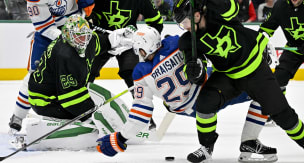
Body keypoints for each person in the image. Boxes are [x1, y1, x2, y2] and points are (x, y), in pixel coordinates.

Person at [96, 26, 278, 162]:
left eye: (139, 50)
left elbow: (140, 114)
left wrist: (120, 138)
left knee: (193, 104)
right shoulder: (174, 43)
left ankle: (209, 147)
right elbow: (208, 41)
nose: (139, 54)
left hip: (188, 107)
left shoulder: (140, 73)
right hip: (214, 85)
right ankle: (249, 141)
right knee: (265, 94)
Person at [172, 0, 304, 162]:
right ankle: (206, 147)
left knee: (283, 115)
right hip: (228, 75)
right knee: (204, 103)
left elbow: (231, 6)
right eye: (181, 24)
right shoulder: (188, 41)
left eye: (185, 21)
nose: (184, 27)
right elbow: (196, 70)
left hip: (255, 69)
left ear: (196, 14)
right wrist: (195, 72)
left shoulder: (217, 14)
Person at [12, 15, 135, 151]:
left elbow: (105, 41)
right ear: (67, 35)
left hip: (59, 92)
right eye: (78, 36)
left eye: (85, 36)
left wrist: (120, 35)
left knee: (97, 102)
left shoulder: (87, 39)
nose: (83, 41)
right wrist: (93, 113)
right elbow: (69, 99)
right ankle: (45, 134)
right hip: (45, 101)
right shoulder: (65, 54)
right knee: (90, 123)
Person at [8, 0, 95, 133]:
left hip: (75, 28)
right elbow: (45, 28)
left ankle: (78, 111)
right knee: (34, 76)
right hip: (48, 35)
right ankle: (18, 116)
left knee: (79, 72)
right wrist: (66, 37)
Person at [89, 0, 163, 90]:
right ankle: (81, 100)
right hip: (104, 38)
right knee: (87, 72)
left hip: (127, 41)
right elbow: (91, 18)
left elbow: (156, 21)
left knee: (133, 75)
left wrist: (148, 42)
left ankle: (139, 103)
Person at [259, 0, 304, 96]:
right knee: (278, 80)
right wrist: (261, 43)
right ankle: (280, 112)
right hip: (293, 48)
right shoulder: (280, 6)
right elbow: (266, 28)